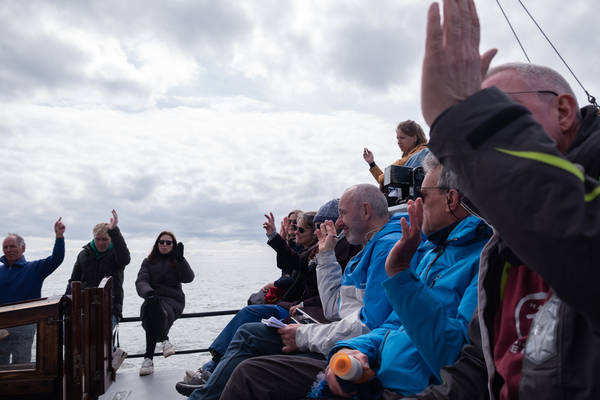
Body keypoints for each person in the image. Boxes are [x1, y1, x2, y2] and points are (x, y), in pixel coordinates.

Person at [403, 1, 600, 399]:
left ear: (564, 110)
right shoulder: (501, 247)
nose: (491, 132)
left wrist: (462, 122)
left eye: (503, 114)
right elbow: (480, 367)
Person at [219, 154, 492, 400]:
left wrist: (399, 275)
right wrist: (350, 350)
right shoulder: (433, 252)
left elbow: (452, 358)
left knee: (252, 370)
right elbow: (388, 324)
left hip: (403, 384)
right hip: (373, 363)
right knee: (252, 369)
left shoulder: (480, 261)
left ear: (451, 199)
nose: (416, 202)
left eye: (424, 195)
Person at [184, 184, 403, 400]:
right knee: (248, 333)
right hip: (341, 340)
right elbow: (335, 307)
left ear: (365, 211)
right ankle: (210, 379)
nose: (338, 222)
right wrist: (326, 256)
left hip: (358, 353)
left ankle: (207, 385)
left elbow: (368, 326)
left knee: (250, 364)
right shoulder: (367, 250)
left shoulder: (387, 249)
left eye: (342, 213)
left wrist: (303, 336)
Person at [177, 203, 360, 395]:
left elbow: (337, 302)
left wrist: (302, 303)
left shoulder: (348, 248)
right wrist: (276, 237)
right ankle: (213, 370)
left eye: (313, 226)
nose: (315, 231)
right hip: (302, 310)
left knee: (250, 322)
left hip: (309, 313)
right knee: (249, 325)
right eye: (314, 227)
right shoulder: (324, 247)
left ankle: (211, 373)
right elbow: (294, 262)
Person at [0, 218, 66, 364]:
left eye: (12, 246)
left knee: (22, 365)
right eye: (5, 247)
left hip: (25, 326)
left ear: (23, 248)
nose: (8, 250)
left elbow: (57, 259)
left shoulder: (35, 268)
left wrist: (59, 237)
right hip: (1, 325)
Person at [136, 231, 195, 376]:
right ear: (157, 244)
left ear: (173, 245)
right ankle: (164, 341)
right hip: (152, 297)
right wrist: (148, 292)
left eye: (168, 243)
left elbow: (189, 278)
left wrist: (181, 260)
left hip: (173, 300)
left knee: (152, 310)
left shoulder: (176, 261)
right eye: (161, 242)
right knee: (151, 309)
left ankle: (148, 359)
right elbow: (141, 281)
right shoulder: (148, 262)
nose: (164, 245)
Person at [67, 210, 131, 326]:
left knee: (105, 342)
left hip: (110, 309)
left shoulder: (116, 254)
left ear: (110, 239)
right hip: (85, 307)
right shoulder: (83, 255)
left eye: (105, 239)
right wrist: (67, 302)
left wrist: (114, 231)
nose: (101, 243)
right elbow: (74, 280)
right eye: (98, 239)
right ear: (93, 238)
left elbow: (125, 259)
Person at [363, 119, 429, 185]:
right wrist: (371, 163)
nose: (398, 142)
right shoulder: (409, 158)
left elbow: (383, 179)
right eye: (398, 138)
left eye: (402, 138)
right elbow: (385, 181)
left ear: (415, 138)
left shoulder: (423, 153)